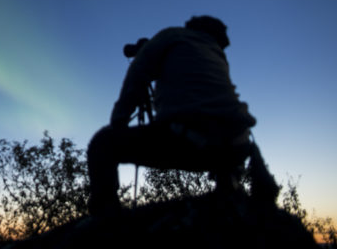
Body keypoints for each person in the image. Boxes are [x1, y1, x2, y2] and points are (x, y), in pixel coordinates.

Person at [87, 15, 269, 215]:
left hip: (189, 141)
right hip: (237, 146)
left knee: (102, 144)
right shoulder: (216, 52)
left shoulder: (171, 35)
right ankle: (228, 193)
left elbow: (137, 75)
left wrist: (118, 121)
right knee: (222, 164)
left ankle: (104, 221)